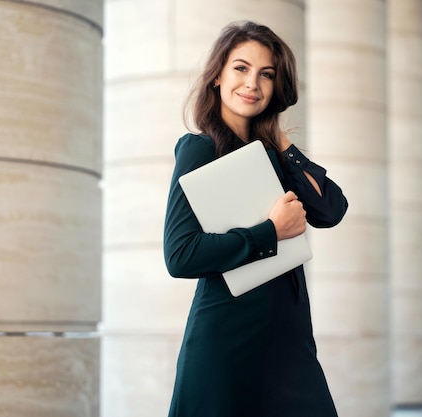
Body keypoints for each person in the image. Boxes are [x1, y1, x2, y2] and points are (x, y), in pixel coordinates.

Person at [163, 21, 348, 417]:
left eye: (267, 74)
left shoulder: (278, 156)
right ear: (217, 76)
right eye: (241, 68)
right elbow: (180, 255)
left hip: (288, 339)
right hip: (228, 341)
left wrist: (279, 139)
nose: (253, 83)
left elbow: (330, 210)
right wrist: (271, 231)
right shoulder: (200, 149)